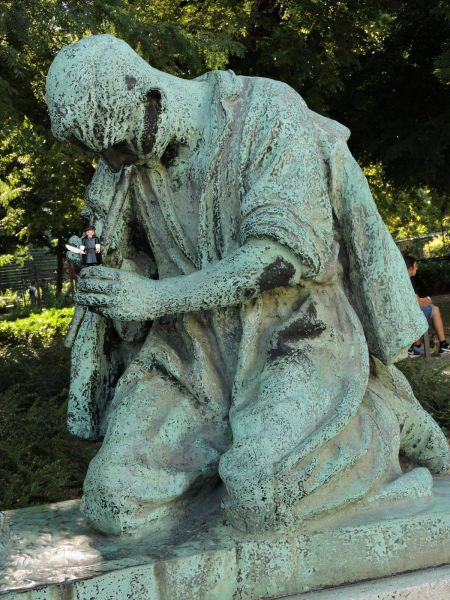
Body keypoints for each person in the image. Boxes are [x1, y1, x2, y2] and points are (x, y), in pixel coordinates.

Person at [45, 35, 450, 536]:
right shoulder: (127, 168)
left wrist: (154, 297)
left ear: (152, 100)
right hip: (188, 357)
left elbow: (284, 257)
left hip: (295, 339)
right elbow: (138, 272)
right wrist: (111, 278)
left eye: (118, 146)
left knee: (259, 492)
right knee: (112, 500)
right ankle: (229, 469)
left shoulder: (265, 112)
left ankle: (379, 417)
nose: (112, 163)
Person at [404, 255, 450, 356]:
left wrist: (424, 300)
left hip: (405, 313)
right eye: (415, 265)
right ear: (410, 268)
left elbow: (415, 300)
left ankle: (417, 346)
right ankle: (443, 345)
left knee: (425, 308)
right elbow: (417, 303)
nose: (417, 268)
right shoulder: (408, 280)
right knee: (435, 309)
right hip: (409, 315)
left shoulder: (401, 279)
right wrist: (428, 301)